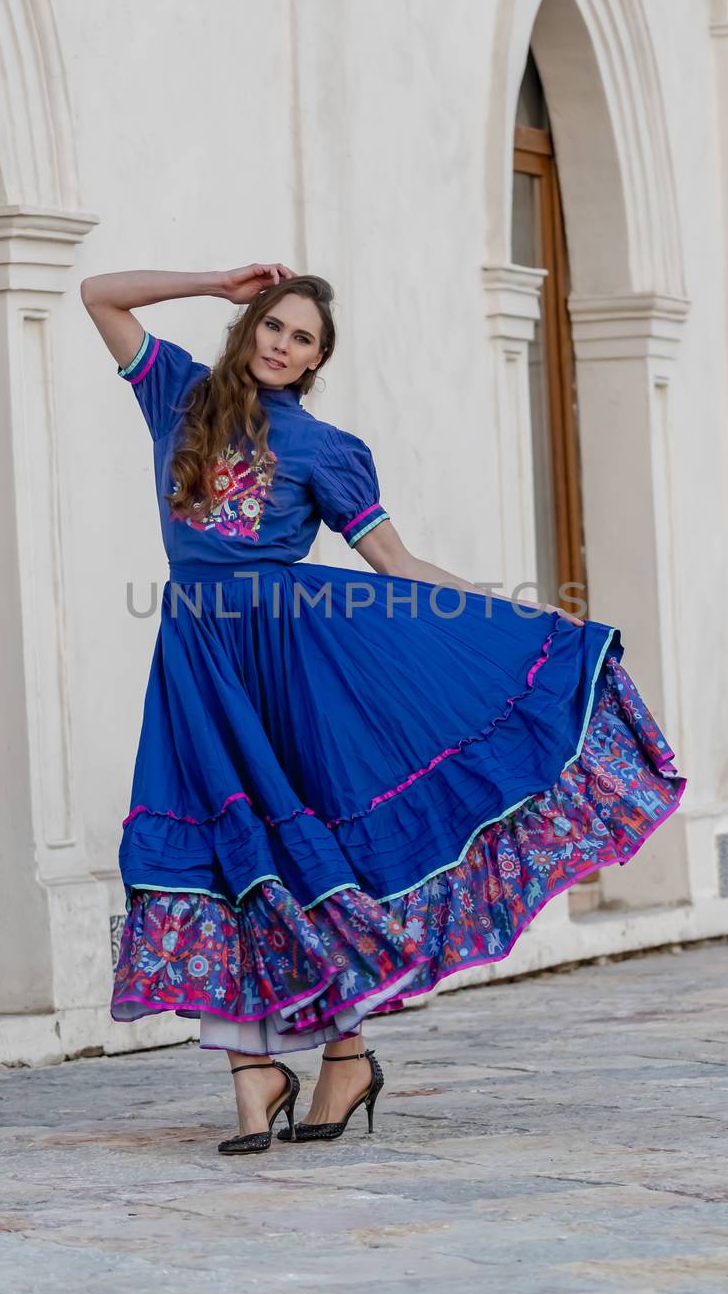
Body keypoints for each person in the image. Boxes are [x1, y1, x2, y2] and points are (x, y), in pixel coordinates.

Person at [81, 263, 687, 1155]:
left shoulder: (325, 449)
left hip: (299, 666)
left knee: (308, 845)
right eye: (274, 326)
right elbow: (100, 291)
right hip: (199, 662)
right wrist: (215, 280)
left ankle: (342, 1058)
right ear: (249, 326)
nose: (283, 346)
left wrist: (517, 619)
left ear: (317, 360)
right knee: (221, 848)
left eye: (304, 339)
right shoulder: (178, 395)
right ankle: (261, 1079)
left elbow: (397, 566)